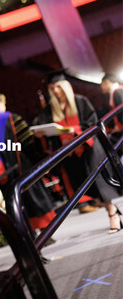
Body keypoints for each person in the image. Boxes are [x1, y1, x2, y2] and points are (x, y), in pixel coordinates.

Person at [36, 72, 122, 233]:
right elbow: (45, 127)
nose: (56, 91)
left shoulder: (80, 101)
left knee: (100, 183)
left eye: (58, 87)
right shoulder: (50, 110)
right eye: (53, 88)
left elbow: (91, 122)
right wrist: (42, 133)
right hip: (70, 153)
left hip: (89, 148)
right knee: (87, 190)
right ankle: (112, 210)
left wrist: (73, 130)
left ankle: (113, 214)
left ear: (65, 87)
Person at [0, 90, 56, 231]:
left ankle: (27, 232)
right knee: (32, 196)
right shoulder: (9, 118)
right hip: (21, 165)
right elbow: (28, 142)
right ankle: (44, 229)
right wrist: (37, 139)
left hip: (2, 172)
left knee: (15, 200)